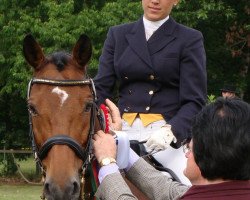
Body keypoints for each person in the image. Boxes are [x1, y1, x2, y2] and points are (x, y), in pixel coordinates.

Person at [94, 0, 207, 184]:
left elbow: (194, 101)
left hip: (165, 138)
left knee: (186, 188)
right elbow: (100, 91)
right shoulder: (118, 35)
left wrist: (172, 130)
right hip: (121, 133)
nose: (155, 1)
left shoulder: (189, 39)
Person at [92, 97, 250, 199]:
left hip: (166, 130)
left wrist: (107, 162)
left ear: (208, 154)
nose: (187, 155)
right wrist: (121, 143)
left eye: (189, 149)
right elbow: (167, 190)